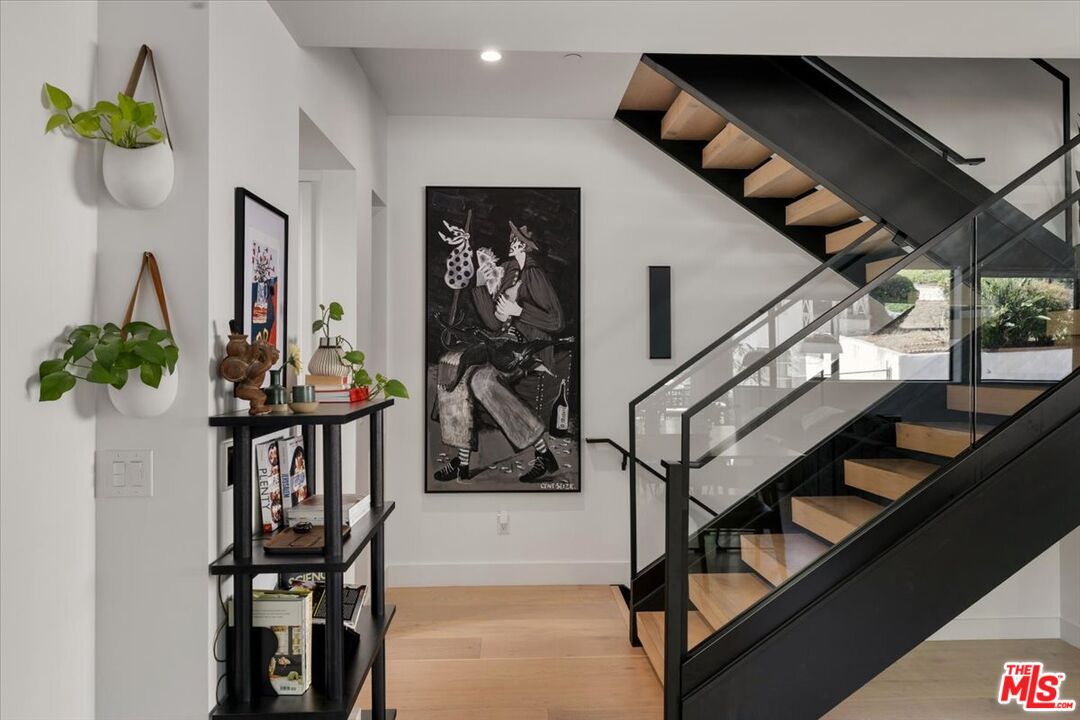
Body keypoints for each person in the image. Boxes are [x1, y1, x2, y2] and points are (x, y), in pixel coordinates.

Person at [434, 221, 565, 484]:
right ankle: (462, 461)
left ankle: (542, 453)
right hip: (503, 346)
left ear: (525, 245)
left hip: (527, 351)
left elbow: (557, 321)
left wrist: (519, 311)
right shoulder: (508, 270)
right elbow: (494, 324)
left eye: (515, 239)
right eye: (511, 237)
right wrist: (480, 285)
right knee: (453, 366)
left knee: (481, 381)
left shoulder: (534, 274)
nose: (510, 241)